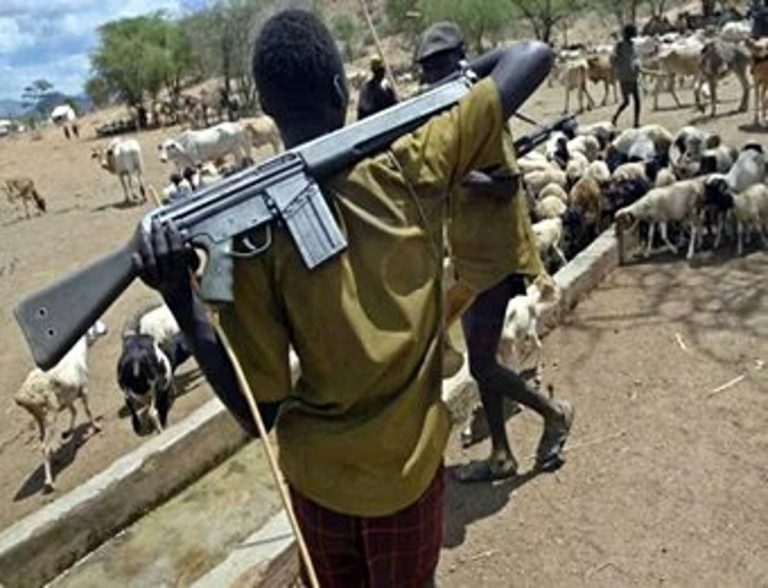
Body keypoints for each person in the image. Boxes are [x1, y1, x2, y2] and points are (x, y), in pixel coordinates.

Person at [133, 9, 552, 587]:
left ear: (266, 108)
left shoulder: (244, 242)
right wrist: (419, 109)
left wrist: (183, 299)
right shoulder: (409, 159)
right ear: (341, 87)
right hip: (404, 474)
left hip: (316, 484)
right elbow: (530, 55)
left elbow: (258, 411)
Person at [415, 22, 574, 483]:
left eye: (442, 67)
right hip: (471, 255)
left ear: (460, 62)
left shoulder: (482, 111)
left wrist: (459, 176)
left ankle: (555, 413)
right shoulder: (451, 118)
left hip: (495, 257)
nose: (433, 78)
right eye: (428, 71)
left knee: (483, 363)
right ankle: (501, 455)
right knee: (480, 358)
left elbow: (507, 183)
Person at [611, 24, 641, 128]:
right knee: (626, 101)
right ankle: (615, 117)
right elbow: (614, 59)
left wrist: (636, 66)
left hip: (632, 75)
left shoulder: (632, 45)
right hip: (624, 76)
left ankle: (636, 123)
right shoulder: (620, 45)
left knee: (637, 100)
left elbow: (634, 58)